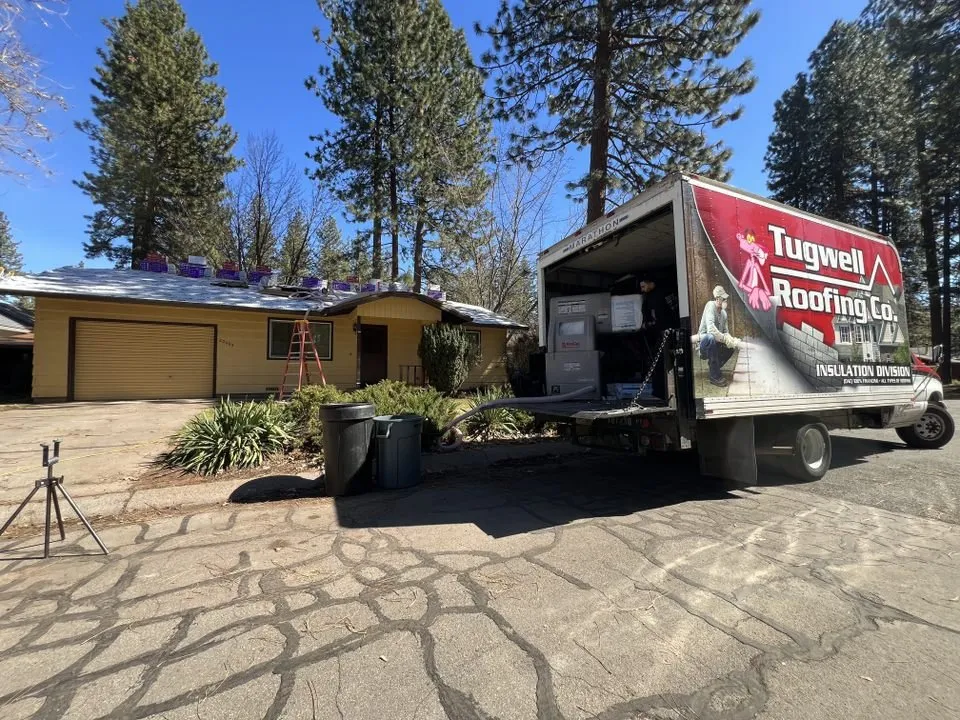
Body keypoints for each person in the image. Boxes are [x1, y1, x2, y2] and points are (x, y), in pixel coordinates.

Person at [698, 285, 741, 387]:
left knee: (731, 346)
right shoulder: (710, 306)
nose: (725, 301)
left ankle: (714, 367)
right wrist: (725, 339)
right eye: (723, 299)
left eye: (726, 299)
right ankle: (715, 376)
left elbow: (726, 332)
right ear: (717, 299)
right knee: (710, 337)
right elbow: (711, 329)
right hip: (705, 344)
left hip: (716, 344)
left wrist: (732, 340)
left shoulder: (724, 314)